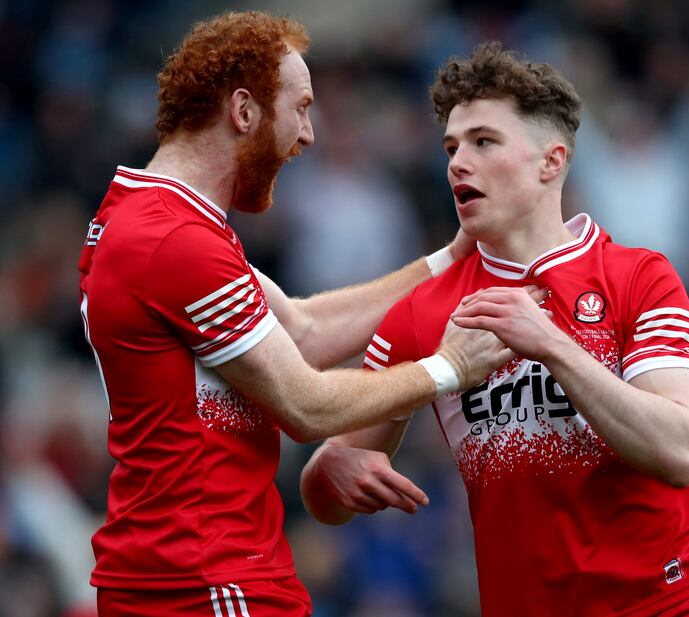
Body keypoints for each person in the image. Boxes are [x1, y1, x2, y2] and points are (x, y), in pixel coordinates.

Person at [78, 12, 524, 616]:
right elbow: (306, 404)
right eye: (302, 106)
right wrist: (448, 369)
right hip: (205, 579)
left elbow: (303, 332)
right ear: (244, 111)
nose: (309, 134)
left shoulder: (147, 216)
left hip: (186, 571)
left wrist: (451, 259)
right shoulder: (173, 242)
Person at [300, 42, 689, 616]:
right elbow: (326, 496)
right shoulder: (422, 313)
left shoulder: (637, 275)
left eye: (485, 142)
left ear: (551, 161)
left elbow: (681, 450)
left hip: (673, 601)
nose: (459, 162)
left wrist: (551, 344)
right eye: (452, 147)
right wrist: (328, 472)